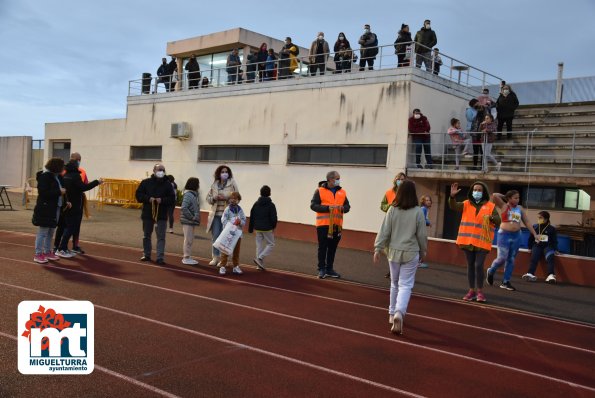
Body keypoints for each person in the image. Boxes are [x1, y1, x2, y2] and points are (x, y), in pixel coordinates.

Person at [373, 180, 427, 335]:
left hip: (393, 252)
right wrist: (423, 251)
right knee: (406, 285)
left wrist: (378, 248)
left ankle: (391, 314)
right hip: (411, 253)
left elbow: (384, 230)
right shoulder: (418, 211)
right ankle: (399, 312)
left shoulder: (392, 210)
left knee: (394, 284)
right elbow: (422, 235)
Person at [449, 181, 500, 302]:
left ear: (484, 192)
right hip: (468, 241)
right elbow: (453, 206)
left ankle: (480, 291)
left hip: (482, 242)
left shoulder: (490, 206)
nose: (477, 192)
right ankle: (471, 290)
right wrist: (452, 196)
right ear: (472, 191)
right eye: (475, 190)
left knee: (478, 265)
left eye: (480, 190)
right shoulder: (466, 203)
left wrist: (491, 218)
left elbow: (498, 220)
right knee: (470, 265)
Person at [486, 190, 537, 291]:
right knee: (502, 258)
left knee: (511, 259)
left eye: (518, 198)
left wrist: (535, 234)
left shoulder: (520, 208)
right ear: (509, 199)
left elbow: (526, 221)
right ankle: (491, 271)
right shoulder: (504, 206)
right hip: (504, 235)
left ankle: (505, 282)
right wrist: (505, 196)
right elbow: (495, 195)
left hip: (517, 236)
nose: (518, 200)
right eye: (515, 198)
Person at [56, 159, 103, 258]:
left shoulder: (65, 176)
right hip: (75, 205)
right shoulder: (75, 176)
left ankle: (63, 247)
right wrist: (97, 182)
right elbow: (83, 187)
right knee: (70, 228)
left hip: (67, 204)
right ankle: (61, 248)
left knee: (67, 227)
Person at [310, 171, 350, 279]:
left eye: (339, 178)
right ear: (330, 179)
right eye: (337, 178)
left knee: (333, 248)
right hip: (323, 224)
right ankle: (321, 269)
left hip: (337, 225)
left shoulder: (342, 192)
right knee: (323, 247)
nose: (338, 180)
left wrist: (343, 208)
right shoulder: (319, 190)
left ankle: (329, 269)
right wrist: (327, 208)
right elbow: (313, 205)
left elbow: (347, 206)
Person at [135, 163, 176, 265]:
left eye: (163, 170)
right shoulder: (146, 182)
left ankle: (160, 257)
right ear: (154, 171)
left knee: (161, 237)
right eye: (159, 170)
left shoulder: (168, 184)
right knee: (146, 235)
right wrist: (148, 199)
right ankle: (146, 254)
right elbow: (138, 195)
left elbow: (172, 199)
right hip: (148, 214)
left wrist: (162, 200)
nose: (161, 172)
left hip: (161, 215)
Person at [32, 158, 68, 264]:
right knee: (43, 231)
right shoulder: (45, 177)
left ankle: (47, 252)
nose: (63, 169)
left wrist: (66, 201)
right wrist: (59, 191)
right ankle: (38, 254)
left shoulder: (56, 177)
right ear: (56, 167)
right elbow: (43, 192)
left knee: (51, 231)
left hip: (55, 207)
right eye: (61, 166)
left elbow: (61, 191)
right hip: (45, 208)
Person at [54, 152, 89, 254]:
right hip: (66, 201)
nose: (78, 162)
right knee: (63, 225)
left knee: (75, 225)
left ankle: (74, 245)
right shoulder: (63, 171)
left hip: (77, 201)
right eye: (77, 160)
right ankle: (58, 246)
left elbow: (84, 184)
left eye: (78, 160)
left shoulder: (81, 171)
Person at [206, 165, 240, 266]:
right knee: (216, 236)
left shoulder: (232, 183)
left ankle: (224, 259)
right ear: (219, 174)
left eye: (226, 171)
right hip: (216, 215)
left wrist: (226, 197)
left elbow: (237, 197)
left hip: (228, 215)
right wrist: (214, 198)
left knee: (226, 237)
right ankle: (215, 257)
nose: (224, 173)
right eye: (222, 172)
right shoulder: (214, 184)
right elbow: (208, 198)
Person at [523, 211, 558, 283]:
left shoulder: (552, 229)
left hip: (548, 246)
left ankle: (550, 275)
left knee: (550, 258)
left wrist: (555, 249)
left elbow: (554, 240)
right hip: (537, 246)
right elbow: (531, 238)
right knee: (534, 258)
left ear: (546, 219)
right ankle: (530, 274)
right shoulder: (535, 227)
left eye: (540, 218)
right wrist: (529, 248)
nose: (538, 219)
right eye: (538, 217)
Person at [248, 185, 278, 271]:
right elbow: (274, 217)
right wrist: (273, 226)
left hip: (257, 228)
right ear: (269, 193)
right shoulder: (271, 205)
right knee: (271, 244)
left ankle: (259, 265)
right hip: (267, 228)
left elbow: (252, 215)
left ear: (260, 193)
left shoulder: (256, 204)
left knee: (259, 246)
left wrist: (250, 228)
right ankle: (260, 258)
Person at [218, 191, 246, 275]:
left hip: (238, 234)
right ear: (229, 199)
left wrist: (240, 221)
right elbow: (223, 219)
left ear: (238, 200)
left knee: (236, 251)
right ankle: (222, 266)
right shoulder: (227, 209)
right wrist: (230, 224)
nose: (233, 200)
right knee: (225, 249)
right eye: (232, 198)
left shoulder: (240, 210)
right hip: (229, 233)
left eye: (235, 199)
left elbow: (244, 220)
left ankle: (235, 266)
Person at [180, 177, 201, 265]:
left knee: (190, 239)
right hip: (188, 221)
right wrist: (191, 217)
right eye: (198, 184)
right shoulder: (189, 195)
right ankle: (186, 257)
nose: (199, 186)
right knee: (188, 239)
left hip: (190, 221)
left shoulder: (193, 195)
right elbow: (184, 207)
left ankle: (187, 256)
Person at [418, 195, 432, 268]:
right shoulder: (423, 209)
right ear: (423, 201)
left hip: (421, 230)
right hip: (421, 231)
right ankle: (419, 262)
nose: (428, 201)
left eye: (429, 200)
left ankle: (419, 262)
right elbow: (422, 219)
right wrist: (428, 223)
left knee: (422, 246)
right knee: (422, 246)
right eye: (426, 200)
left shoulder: (425, 209)